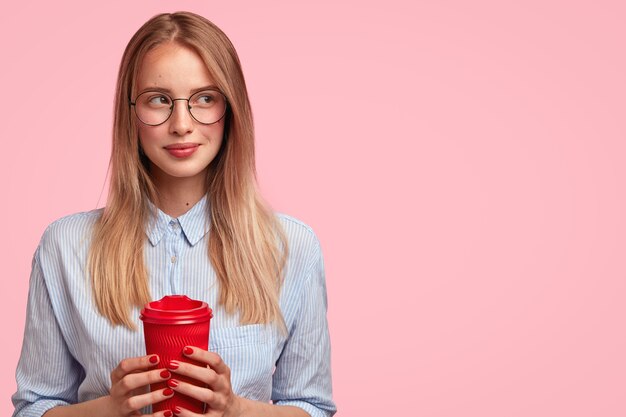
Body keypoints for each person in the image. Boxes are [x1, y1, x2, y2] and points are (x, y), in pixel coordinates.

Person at [11, 11, 336, 417]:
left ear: (230, 109)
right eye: (159, 99)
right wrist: (107, 411)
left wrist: (235, 409)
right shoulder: (64, 246)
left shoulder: (292, 247)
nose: (181, 125)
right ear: (131, 112)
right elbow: (34, 407)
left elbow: (312, 407)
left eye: (204, 98)